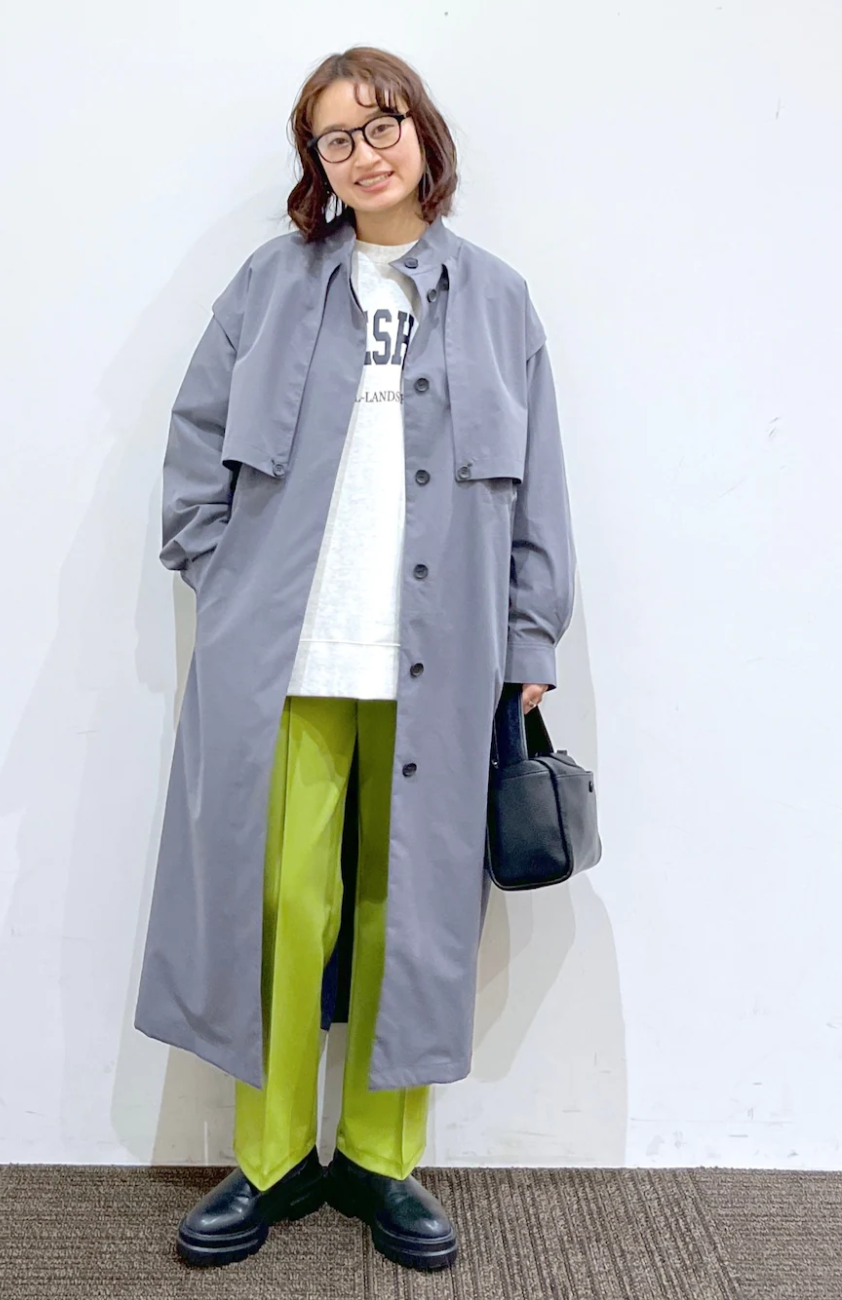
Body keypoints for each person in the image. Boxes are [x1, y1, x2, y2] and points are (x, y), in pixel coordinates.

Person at [133, 45, 577, 1273]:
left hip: (443, 663)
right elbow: (194, 446)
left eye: (382, 125)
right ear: (316, 163)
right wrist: (226, 582)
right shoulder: (270, 286)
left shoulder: (499, 301)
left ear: (424, 135)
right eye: (337, 138)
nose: (365, 152)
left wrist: (530, 633)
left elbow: (540, 486)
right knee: (282, 906)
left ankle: (381, 1159)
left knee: (409, 907)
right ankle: (273, 1157)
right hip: (287, 662)